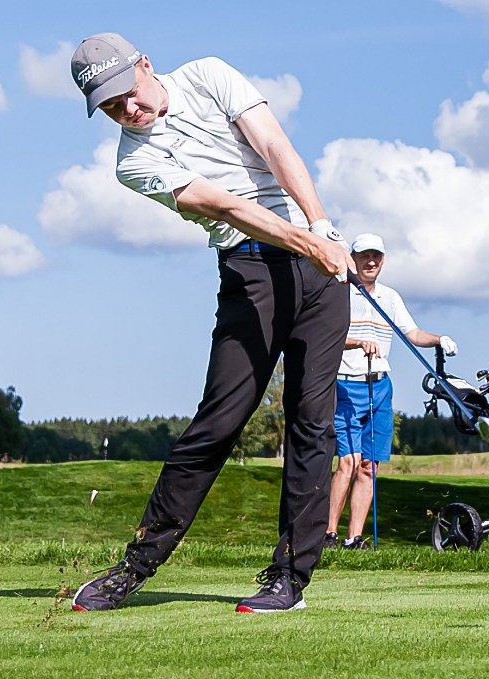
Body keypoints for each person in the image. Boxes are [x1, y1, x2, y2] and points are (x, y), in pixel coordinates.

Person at [66, 32, 351, 614]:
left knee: (311, 424)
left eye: (129, 93)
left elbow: (274, 146)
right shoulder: (133, 162)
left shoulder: (209, 74)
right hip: (251, 273)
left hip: (319, 270)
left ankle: (288, 581)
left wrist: (319, 226)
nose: (129, 110)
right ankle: (136, 567)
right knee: (218, 422)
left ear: (146, 64)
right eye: (112, 107)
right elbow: (224, 206)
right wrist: (303, 238)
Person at [326, 233, 455, 550]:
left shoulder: (390, 297)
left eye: (376, 257)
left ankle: (353, 538)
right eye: (364, 256)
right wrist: (358, 342)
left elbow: (412, 334)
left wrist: (440, 339)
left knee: (370, 466)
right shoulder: (339, 293)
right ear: (352, 258)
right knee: (348, 463)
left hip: (380, 387)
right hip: (345, 383)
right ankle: (328, 534)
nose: (370, 262)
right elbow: (325, 337)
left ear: (382, 260)